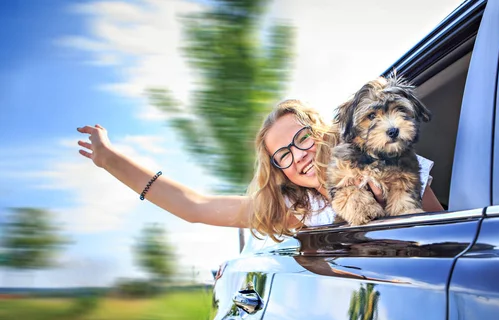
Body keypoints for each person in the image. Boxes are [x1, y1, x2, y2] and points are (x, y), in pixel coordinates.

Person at [77, 99, 444, 243]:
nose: (297, 155)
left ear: (321, 134)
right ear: (281, 172)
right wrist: (110, 160)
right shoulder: (296, 213)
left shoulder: (386, 160)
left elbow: (449, 233)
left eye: (302, 139)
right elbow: (195, 206)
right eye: (282, 155)